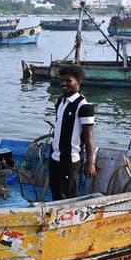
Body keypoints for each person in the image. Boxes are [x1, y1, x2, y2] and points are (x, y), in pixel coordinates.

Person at [49, 65, 96, 200]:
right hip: (55, 157)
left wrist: (90, 163)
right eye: (62, 80)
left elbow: (89, 138)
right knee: (56, 192)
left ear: (78, 81)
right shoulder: (60, 101)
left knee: (68, 195)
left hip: (70, 161)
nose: (64, 84)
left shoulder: (84, 106)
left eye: (68, 81)